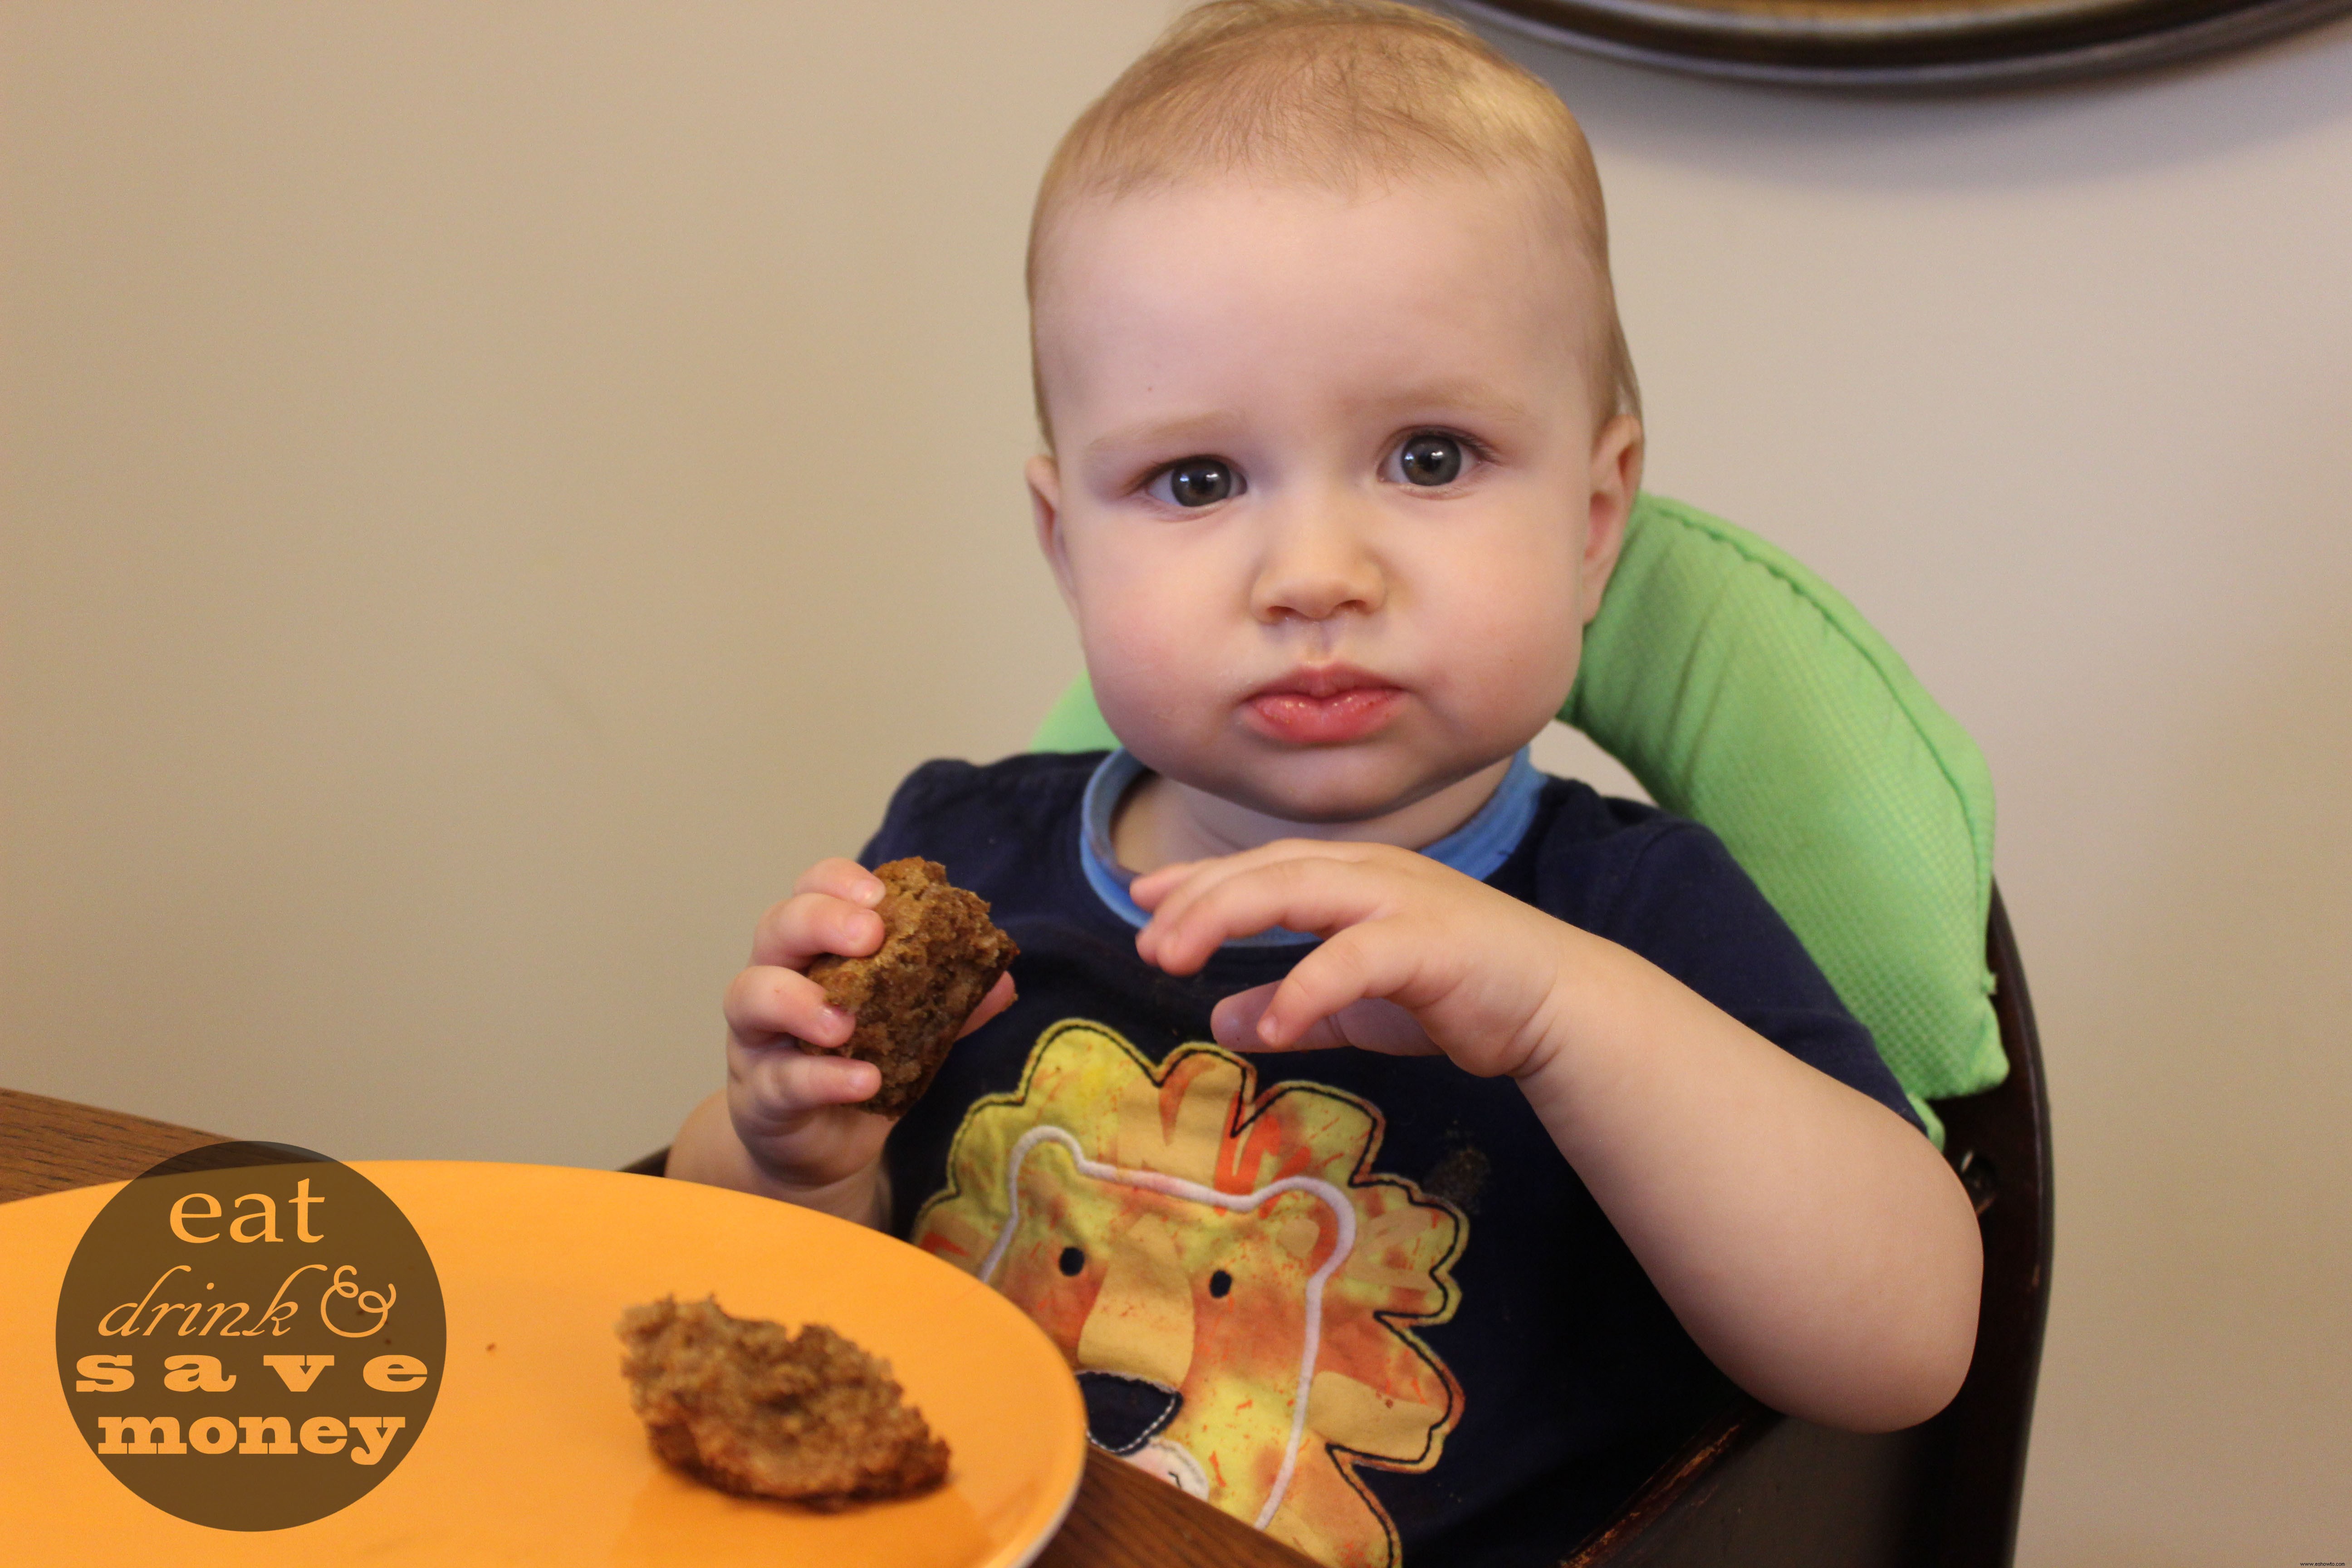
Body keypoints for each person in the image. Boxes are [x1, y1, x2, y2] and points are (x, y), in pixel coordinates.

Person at [666, 3, 1982, 1563]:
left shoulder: (1631, 921)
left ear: (1593, 518)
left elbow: (1907, 1346)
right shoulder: (957, 850)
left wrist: (1562, 1018)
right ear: (1066, 542)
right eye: (1198, 481)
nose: (1313, 573)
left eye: (1430, 458)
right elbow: (759, 1298)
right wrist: (784, 1156)